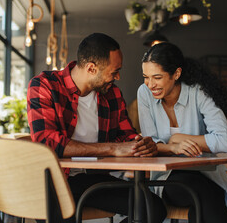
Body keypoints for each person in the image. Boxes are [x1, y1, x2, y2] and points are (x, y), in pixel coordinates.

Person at [27, 33, 166, 223]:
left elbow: (127, 136)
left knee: (153, 209)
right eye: (114, 71)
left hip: (92, 180)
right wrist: (112, 148)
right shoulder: (44, 85)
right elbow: (47, 142)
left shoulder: (112, 93)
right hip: (53, 181)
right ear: (91, 68)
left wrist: (140, 144)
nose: (118, 76)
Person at [137, 42, 227, 223]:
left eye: (157, 77)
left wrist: (178, 139)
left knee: (203, 198)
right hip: (166, 178)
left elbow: (224, 141)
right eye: (146, 77)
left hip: (206, 174)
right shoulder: (144, 93)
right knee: (202, 194)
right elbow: (150, 144)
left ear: (176, 74)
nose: (150, 84)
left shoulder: (198, 92)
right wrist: (173, 148)